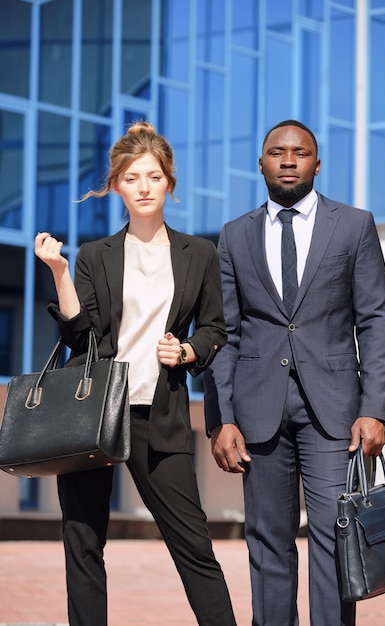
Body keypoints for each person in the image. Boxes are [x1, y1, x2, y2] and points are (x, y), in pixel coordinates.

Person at [35, 121, 237, 626]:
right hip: (92, 412)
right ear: (116, 186)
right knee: (83, 543)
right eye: (130, 178)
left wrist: (188, 351)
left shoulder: (200, 254)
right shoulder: (94, 256)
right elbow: (81, 336)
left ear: (169, 182)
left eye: (152, 176)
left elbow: (215, 328)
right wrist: (60, 271)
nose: (143, 187)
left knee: (194, 546)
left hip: (158, 415)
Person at [203, 120, 385, 626]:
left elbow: (375, 319)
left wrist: (375, 408)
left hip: (336, 413)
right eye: (277, 152)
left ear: (317, 162)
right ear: (261, 162)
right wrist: (221, 418)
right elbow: (224, 333)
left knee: (338, 537)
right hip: (256, 412)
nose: (288, 160)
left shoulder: (353, 225)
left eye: (300, 152)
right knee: (267, 542)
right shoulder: (234, 235)